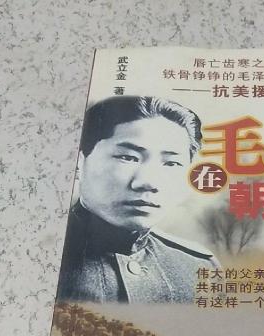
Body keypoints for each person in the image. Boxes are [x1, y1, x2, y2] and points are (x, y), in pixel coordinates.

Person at [57, 95, 219, 303]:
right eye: (128, 157)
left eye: (171, 163)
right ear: (79, 162)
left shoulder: (199, 268)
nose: (148, 182)